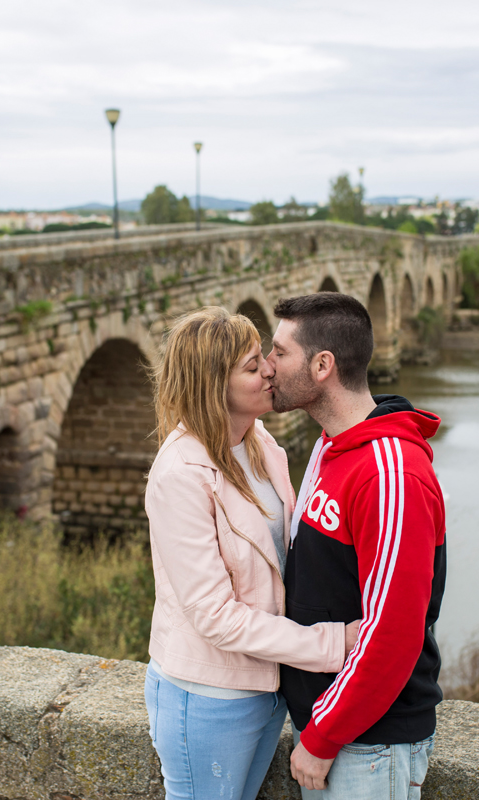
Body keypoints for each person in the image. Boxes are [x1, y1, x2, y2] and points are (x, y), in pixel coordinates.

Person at [144, 306, 361, 800]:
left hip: (266, 688)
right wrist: (330, 643)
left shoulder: (258, 441)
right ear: (211, 386)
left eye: (264, 355)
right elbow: (215, 616)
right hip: (209, 696)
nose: (269, 369)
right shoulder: (180, 474)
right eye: (251, 366)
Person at [264, 292, 447, 799]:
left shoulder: (391, 474)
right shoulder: (330, 448)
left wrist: (323, 738)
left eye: (279, 352)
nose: (266, 365)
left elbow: (391, 633)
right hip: (336, 731)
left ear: (322, 365)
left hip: (367, 746)